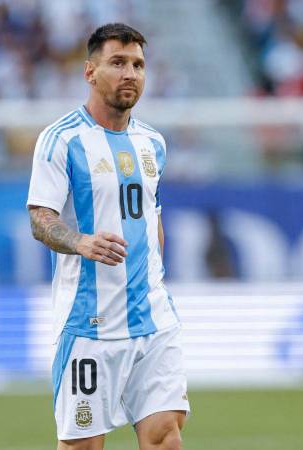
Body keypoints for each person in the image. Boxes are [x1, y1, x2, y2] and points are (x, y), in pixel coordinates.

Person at [27, 23, 190, 450]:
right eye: (117, 63)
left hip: (153, 319)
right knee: (84, 446)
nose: (130, 73)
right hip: (90, 323)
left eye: (138, 64)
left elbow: (153, 217)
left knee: (165, 438)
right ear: (89, 71)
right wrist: (80, 242)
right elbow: (40, 218)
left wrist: (154, 276)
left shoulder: (152, 142)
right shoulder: (61, 140)